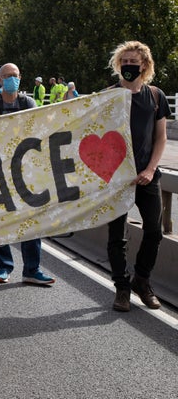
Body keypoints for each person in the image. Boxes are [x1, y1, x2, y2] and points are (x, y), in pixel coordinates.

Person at [106, 41, 170, 312]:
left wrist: (150, 169)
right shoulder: (107, 96)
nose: (129, 65)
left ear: (144, 65)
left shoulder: (155, 96)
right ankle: (121, 288)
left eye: (134, 61)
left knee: (154, 231)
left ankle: (141, 281)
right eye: (124, 61)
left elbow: (161, 137)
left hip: (147, 176)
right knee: (116, 236)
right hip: (116, 179)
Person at [0, 63, 56, 286]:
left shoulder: (28, 102)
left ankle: (32, 269)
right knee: (0, 221)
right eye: (6, 76)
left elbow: (32, 132)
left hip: (25, 170)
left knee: (31, 220)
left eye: (14, 76)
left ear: (20, 77)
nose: (10, 79)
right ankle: (4, 267)